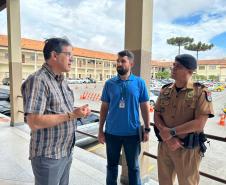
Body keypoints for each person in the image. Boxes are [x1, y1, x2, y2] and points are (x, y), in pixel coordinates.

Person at [21, 37, 91, 185]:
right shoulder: (39, 80)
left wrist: (77, 111)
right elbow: (33, 121)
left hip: (65, 152)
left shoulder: (61, 81)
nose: (72, 59)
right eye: (68, 54)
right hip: (48, 155)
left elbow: (59, 109)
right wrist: (72, 115)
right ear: (54, 56)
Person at [154, 54, 214, 185]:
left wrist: (171, 132)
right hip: (165, 146)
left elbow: (199, 123)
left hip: (187, 150)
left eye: (178, 66)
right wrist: (169, 137)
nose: (173, 68)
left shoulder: (200, 92)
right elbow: (157, 114)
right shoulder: (165, 90)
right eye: (173, 65)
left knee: (188, 183)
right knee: (164, 182)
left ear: (190, 71)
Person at [98, 50, 150, 185]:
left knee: (133, 167)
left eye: (123, 61)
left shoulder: (139, 83)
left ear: (131, 64)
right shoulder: (110, 83)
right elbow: (104, 108)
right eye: (118, 61)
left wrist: (147, 129)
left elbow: (145, 107)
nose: (119, 64)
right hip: (112, 133)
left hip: (132, 134)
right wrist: (100, 130)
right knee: (111, 166)